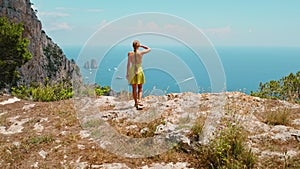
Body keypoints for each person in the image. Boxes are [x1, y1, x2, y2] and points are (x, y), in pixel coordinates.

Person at [126, 40, 151, 109]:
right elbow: (149, 49)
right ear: (138, 46)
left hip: (132, 71)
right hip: (139, 71)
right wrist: (142, 46)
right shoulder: (141, 53)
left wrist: (127, 73)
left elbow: (128, 64)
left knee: (134, 88)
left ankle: (136, 103)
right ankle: (139, 101)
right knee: (140, 88)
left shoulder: (129, 53)